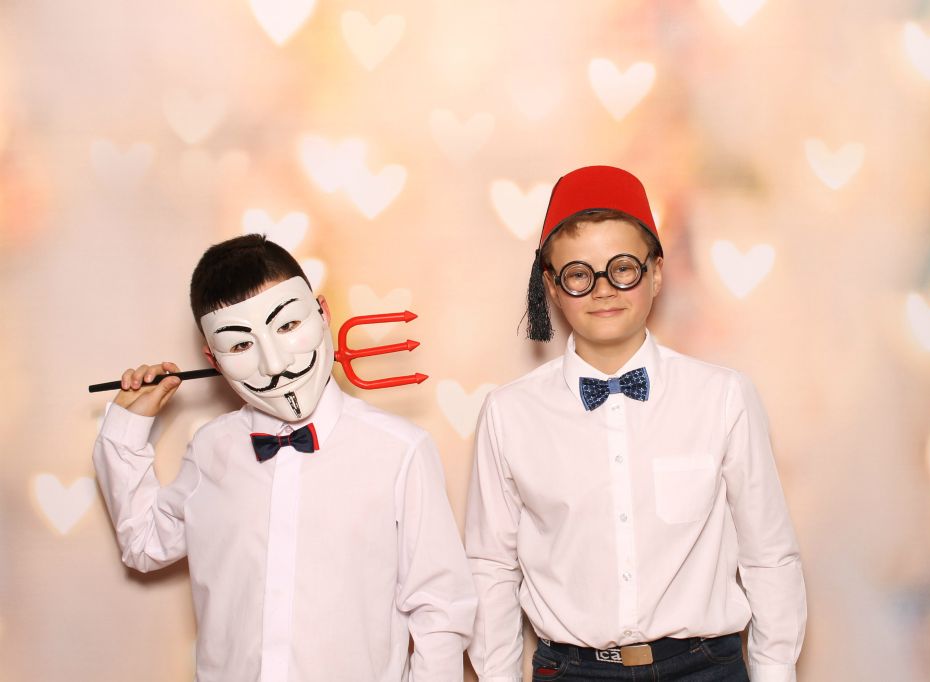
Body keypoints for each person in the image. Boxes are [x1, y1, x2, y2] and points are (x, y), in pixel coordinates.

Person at [465, 166, 806, 682]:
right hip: (572, 671)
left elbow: (769, 555)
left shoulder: (722, 397)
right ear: (552, 286)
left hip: (706, 669)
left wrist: (775, 671)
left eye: (622, 268)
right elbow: (491, 566)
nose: (603, 290)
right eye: (579, 274)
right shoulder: (509, 413)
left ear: (656, 273)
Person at [93, 234, 476, 681]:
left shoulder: (400, 450)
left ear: (323, 312)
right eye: (240, 346)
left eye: (288, 325)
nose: (275, 364)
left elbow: (440, 610)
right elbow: (144, 544)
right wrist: (126, 426)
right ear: (213, 360)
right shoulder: (210, 449)